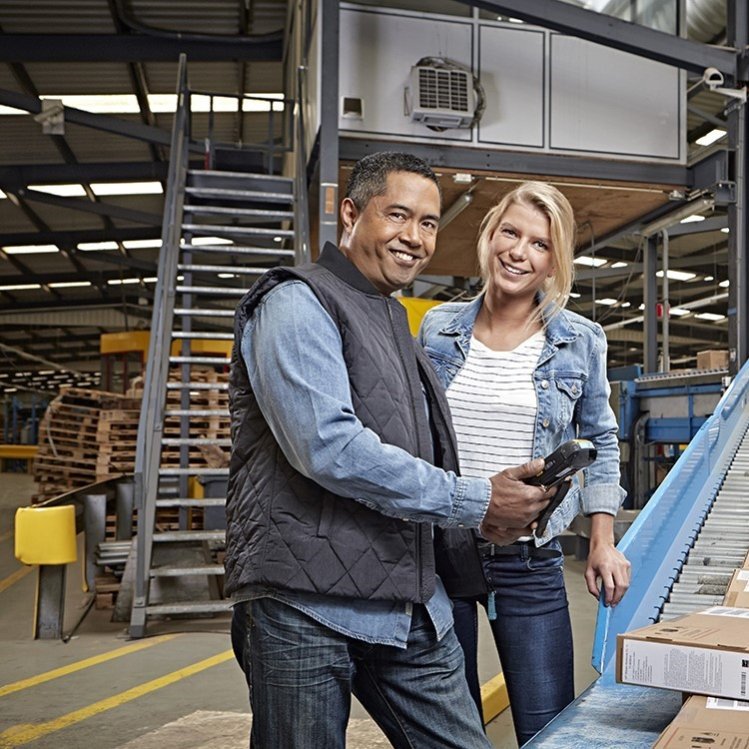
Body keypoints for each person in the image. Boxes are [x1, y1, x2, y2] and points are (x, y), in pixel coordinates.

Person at [224, 152, 556, 749]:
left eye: (429, 222)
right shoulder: (295, 301)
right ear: (351, 214)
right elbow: (327, 446)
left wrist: (492, 517)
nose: (415, 237)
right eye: (397, 215)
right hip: (305, 605)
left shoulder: (396, 323)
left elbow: (421, 458)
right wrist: (477, 500)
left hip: (405, 601)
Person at [418, 181, 632, 746]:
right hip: (441, 555)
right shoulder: (437, 328)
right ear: (489, 236)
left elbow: (600, 440)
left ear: (553, 261)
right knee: (447, 729)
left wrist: (603, 540)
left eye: (540, 244)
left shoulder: (580, 340)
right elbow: (415, 437)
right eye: (510, 233)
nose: (519, 251)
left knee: (547, 727)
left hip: (530, 559)